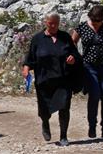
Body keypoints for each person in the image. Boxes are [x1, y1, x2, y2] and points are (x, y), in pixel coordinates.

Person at [24, 12, 83, 146]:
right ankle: (45, 123)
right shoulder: (37, 39)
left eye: (56, 23)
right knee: (44, 110)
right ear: (46, 22)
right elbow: (30, 58)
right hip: (44, 81)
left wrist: (73, 58)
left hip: (63, 80)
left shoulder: (65, 37)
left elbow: (75, 53)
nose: (53, 26)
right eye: (51, 23)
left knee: (64, 107)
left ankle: (63, 136)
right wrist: (26, 69)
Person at [71, 5, 103, 139]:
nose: (95, 23)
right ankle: (92, 126)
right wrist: (75, 58)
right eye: (93, 21)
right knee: (94, 96)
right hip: (89, 67)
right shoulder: (82, 27)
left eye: (98, 21)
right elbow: (73, 42)